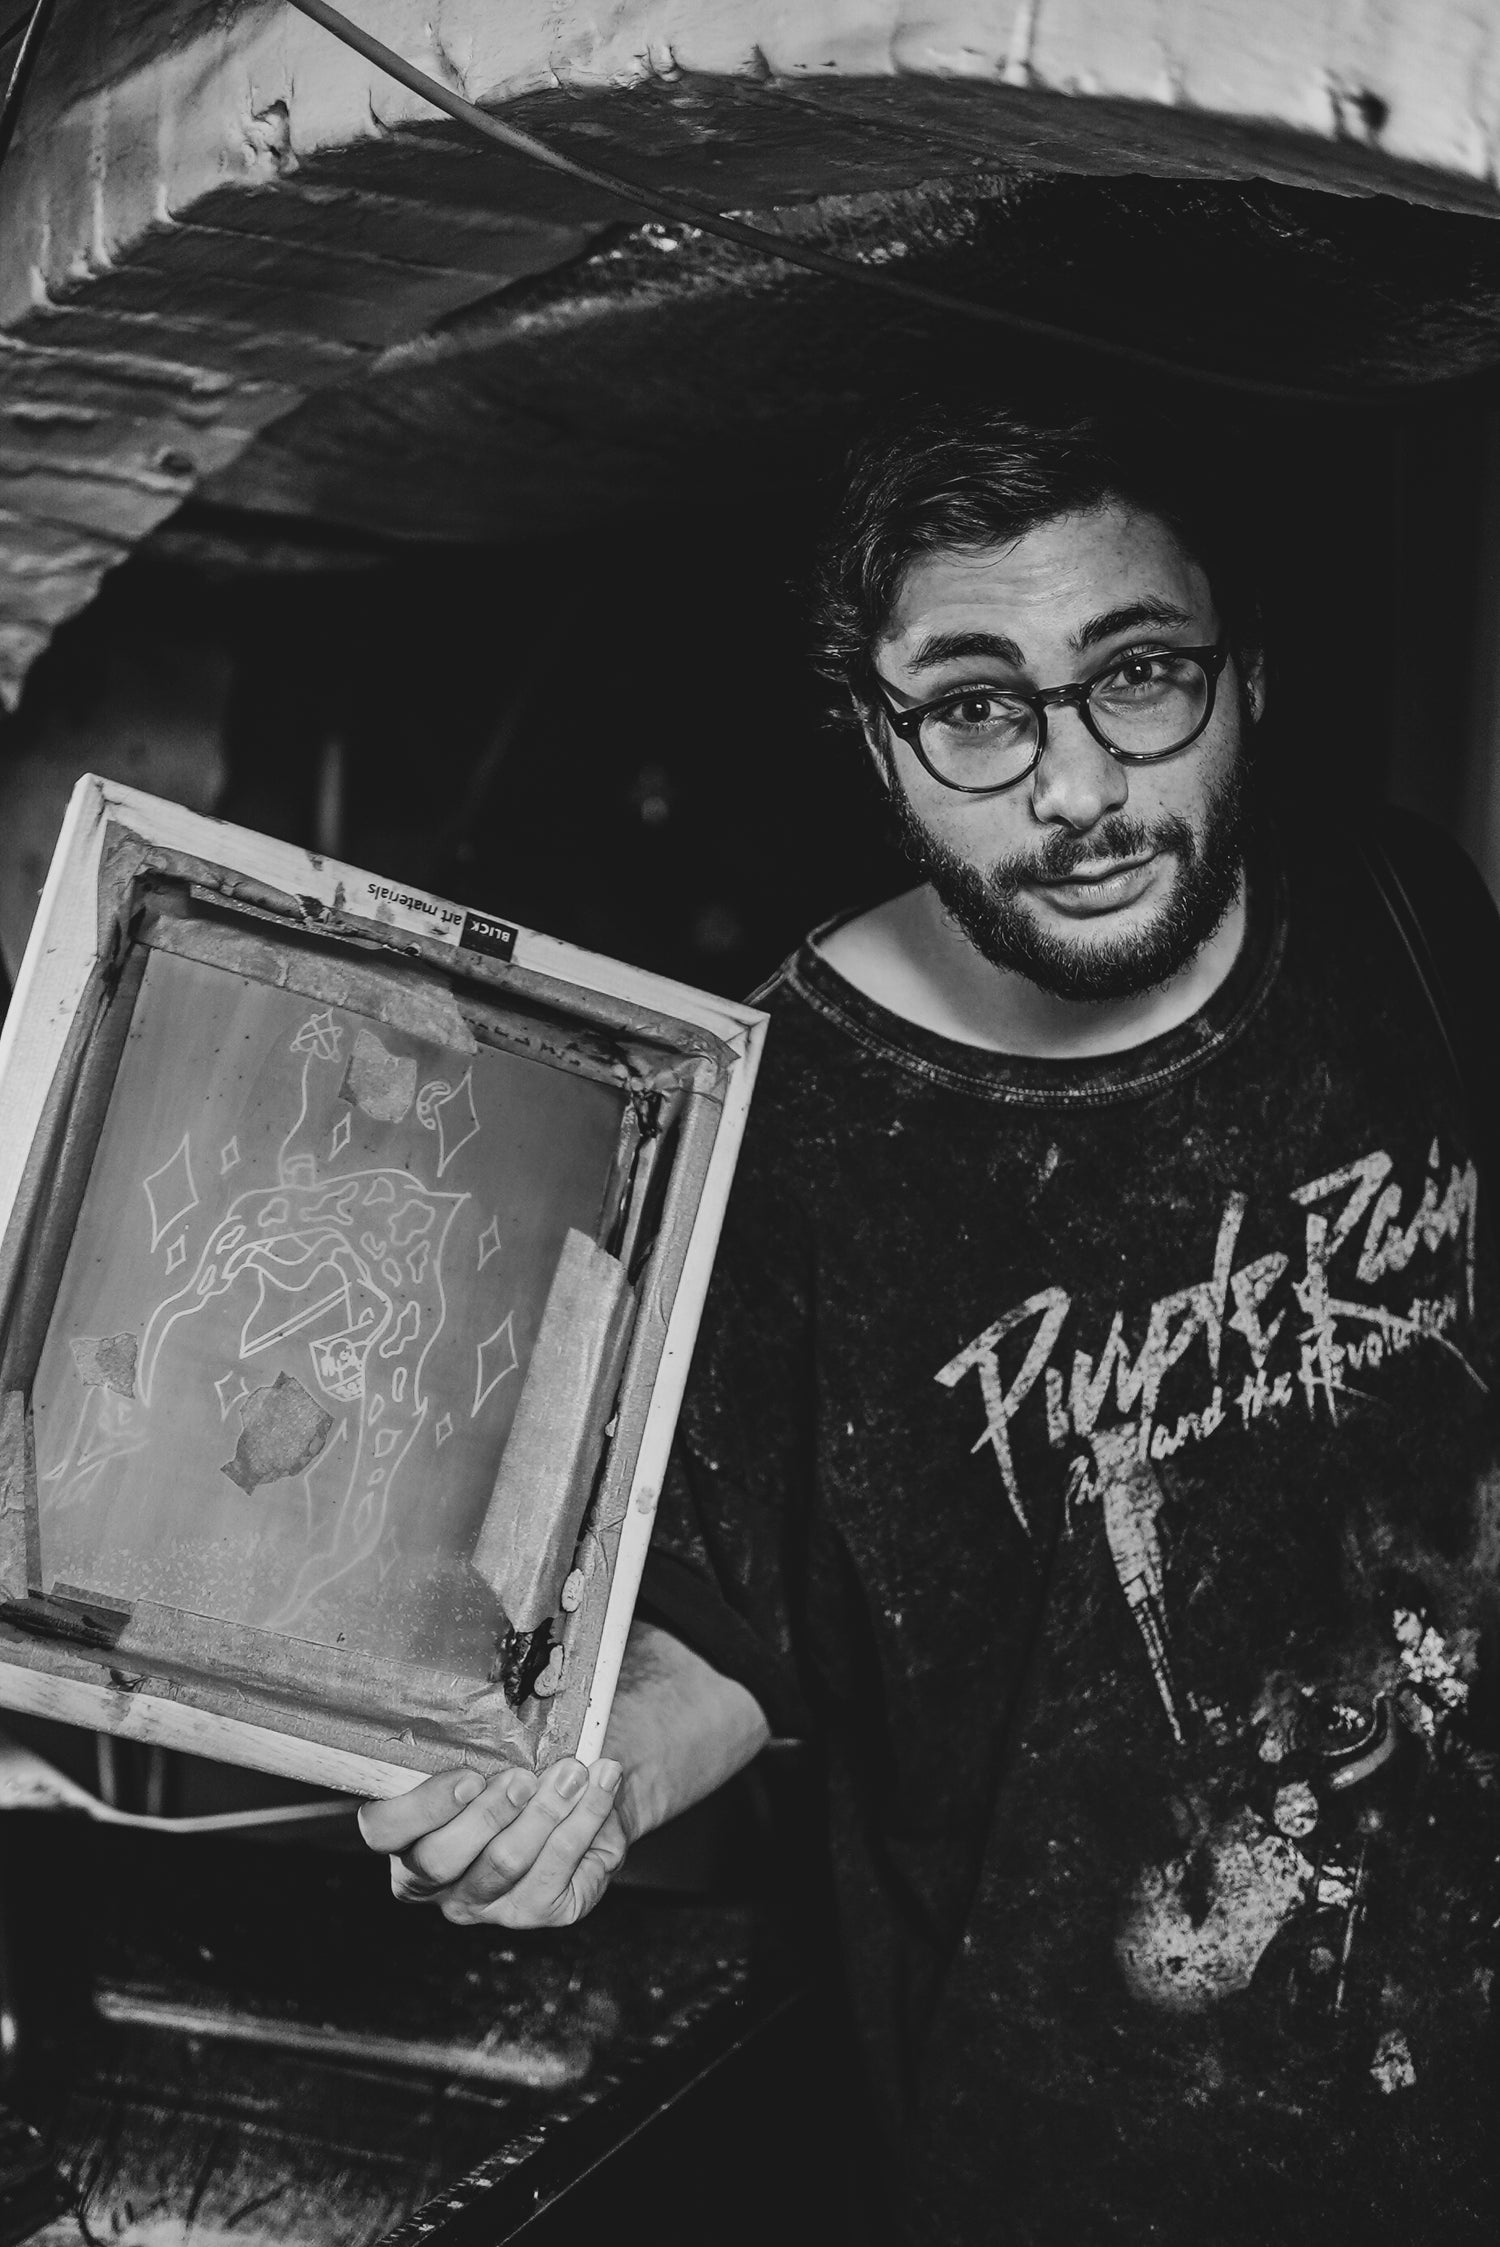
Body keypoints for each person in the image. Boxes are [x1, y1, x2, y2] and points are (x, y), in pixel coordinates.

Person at [360, 403, 1500, 2244]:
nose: (1076, 790)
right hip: (1084, 2176)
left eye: (1139, 675)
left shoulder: (1401, 913)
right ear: (884, 745)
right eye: (977, 709)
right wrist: (572, 1790)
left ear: (1251, 674)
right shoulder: (773, 1123)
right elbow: (744, 1634)